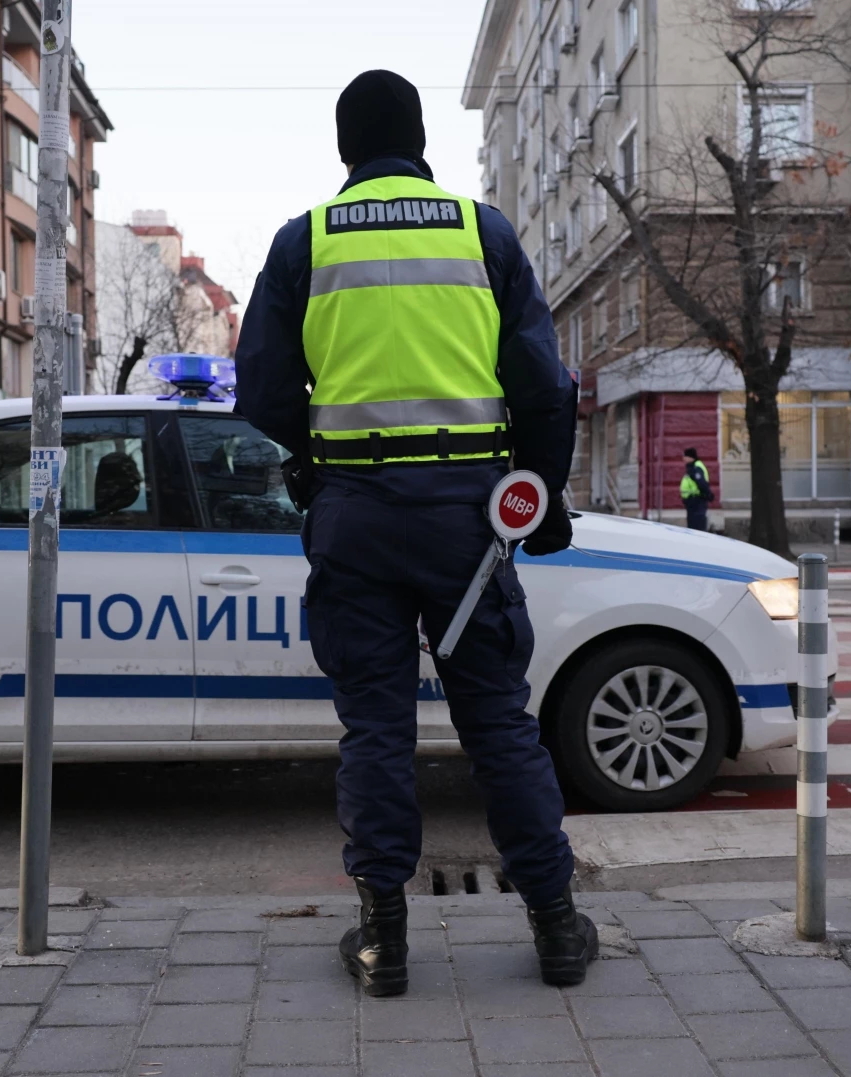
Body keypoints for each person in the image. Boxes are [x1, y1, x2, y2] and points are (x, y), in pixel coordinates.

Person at [235, 69, 595, 997]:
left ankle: (383, 941)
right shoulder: (483, 231)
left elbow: (262, 387)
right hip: (466, 519)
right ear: (422, 140)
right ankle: (557, 927)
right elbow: (542, 386)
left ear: (345, 147)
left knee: (376, 729)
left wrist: (316, 452)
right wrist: (542, 491)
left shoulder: (305, 240)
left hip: (354, 514)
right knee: (498, 723)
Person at [681, 447, 712, 532]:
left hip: (697, 501)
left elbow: (701, 483)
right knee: (693, 527)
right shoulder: (692, 467)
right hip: (692, 502)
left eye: (685, 456)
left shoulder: (696, 467)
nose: (683, 458)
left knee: (697, 528)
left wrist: (707, 494)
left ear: (690, 457)